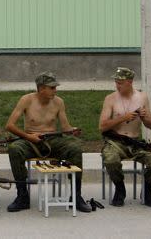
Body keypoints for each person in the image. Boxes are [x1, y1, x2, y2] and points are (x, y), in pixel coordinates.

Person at [5, 71, 91, 213]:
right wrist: (28, 137)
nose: (55, 91)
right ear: (41, 88)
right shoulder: (26, 100)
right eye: (52, 88)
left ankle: (76, 197)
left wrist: (72, 130)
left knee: (75, 149)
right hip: (30, 140)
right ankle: (22, 196)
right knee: (14, 148)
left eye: (55, 87)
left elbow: (65, 127)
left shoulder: (59, 102)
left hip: (52, 140)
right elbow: (10, 125)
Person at [98, 67, 151, 207]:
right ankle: (120, 188)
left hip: (135, 142)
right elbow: (102, 126)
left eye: (120, 82)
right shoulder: (110, 99)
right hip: (116, 141)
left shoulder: (142, 97)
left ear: (130, 82)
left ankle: (147, 190)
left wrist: (145, 118)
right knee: (111, 160)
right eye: (116, 82)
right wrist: (122, 118)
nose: (117, 85)